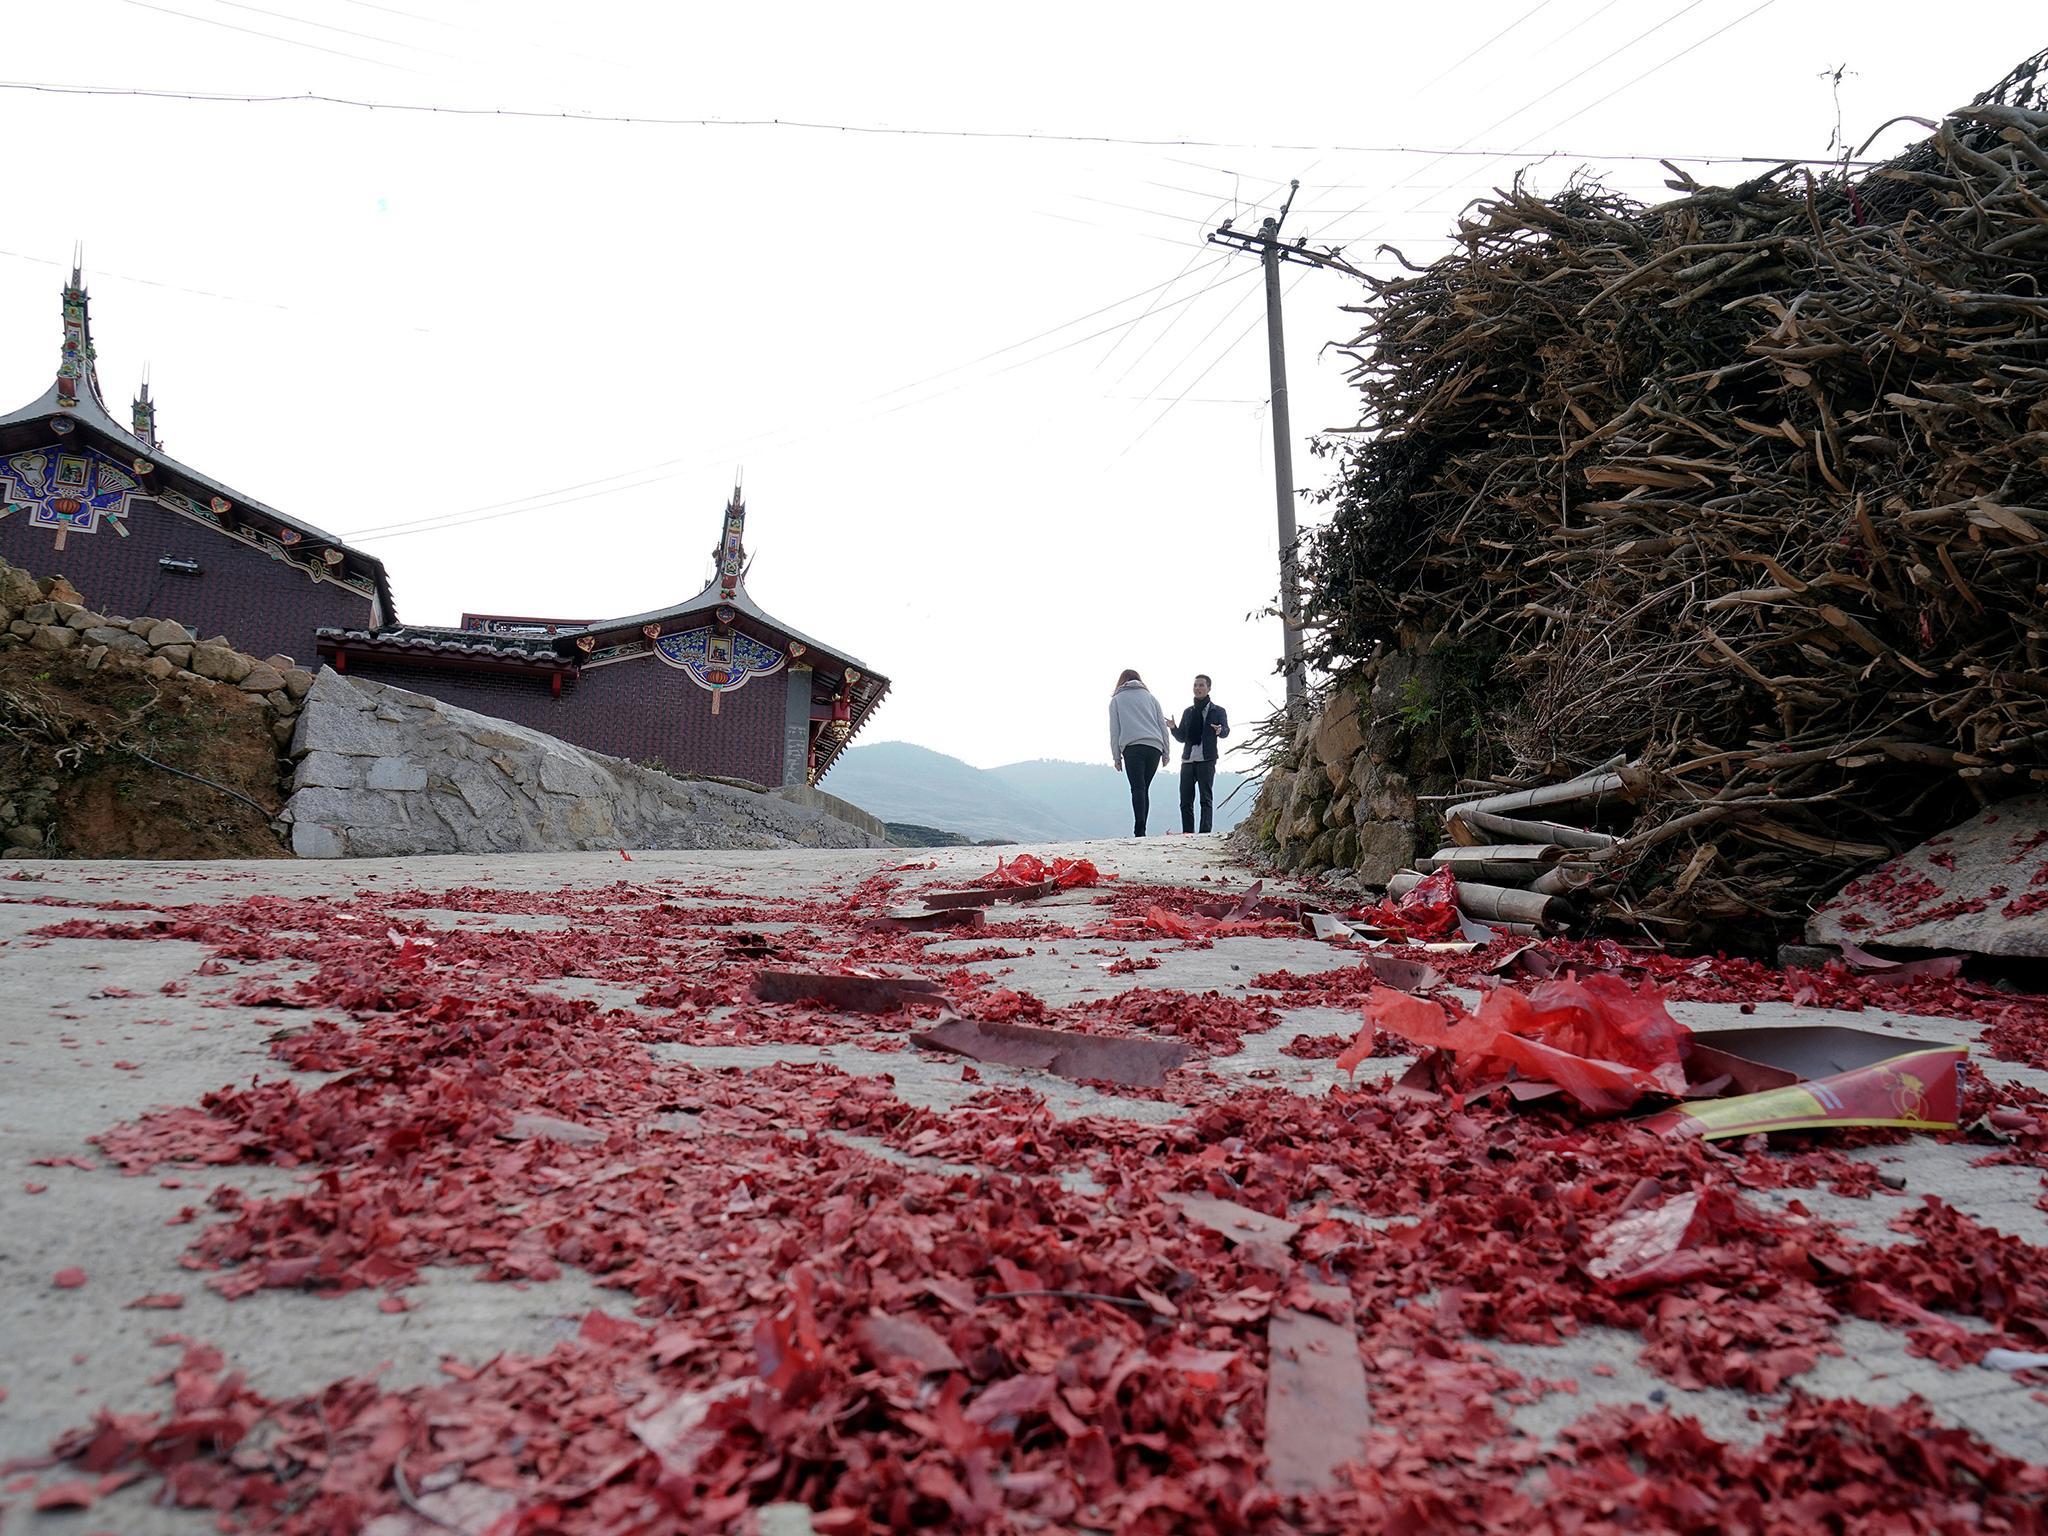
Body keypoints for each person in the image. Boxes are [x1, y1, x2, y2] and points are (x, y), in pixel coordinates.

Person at [1108, 669, 1172, 837]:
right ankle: (1142, 828)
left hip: (1133, 746)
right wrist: (1166, 752)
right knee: (1145, 788)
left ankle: (1139, 831)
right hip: (1154, 747)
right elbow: (1162, 726)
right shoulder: (1152, 698)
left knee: (1137, 788)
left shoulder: (1116, 700)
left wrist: (1116, 757)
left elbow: (1115, 731)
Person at [1172, 674, 1230, 833]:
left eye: (1201, 685)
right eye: (1195, 685)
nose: (1197, 688)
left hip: (1207, 759)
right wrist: (1173, 728)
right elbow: (1182, 737)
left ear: (1209, 688)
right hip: (1188, 760)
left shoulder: (1217, 711)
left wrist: (1220, 730)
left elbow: (1226, 731)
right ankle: (1188, 833)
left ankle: (1205, 833)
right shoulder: (1188, 712)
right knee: (1185, 800)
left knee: (1205, 799)